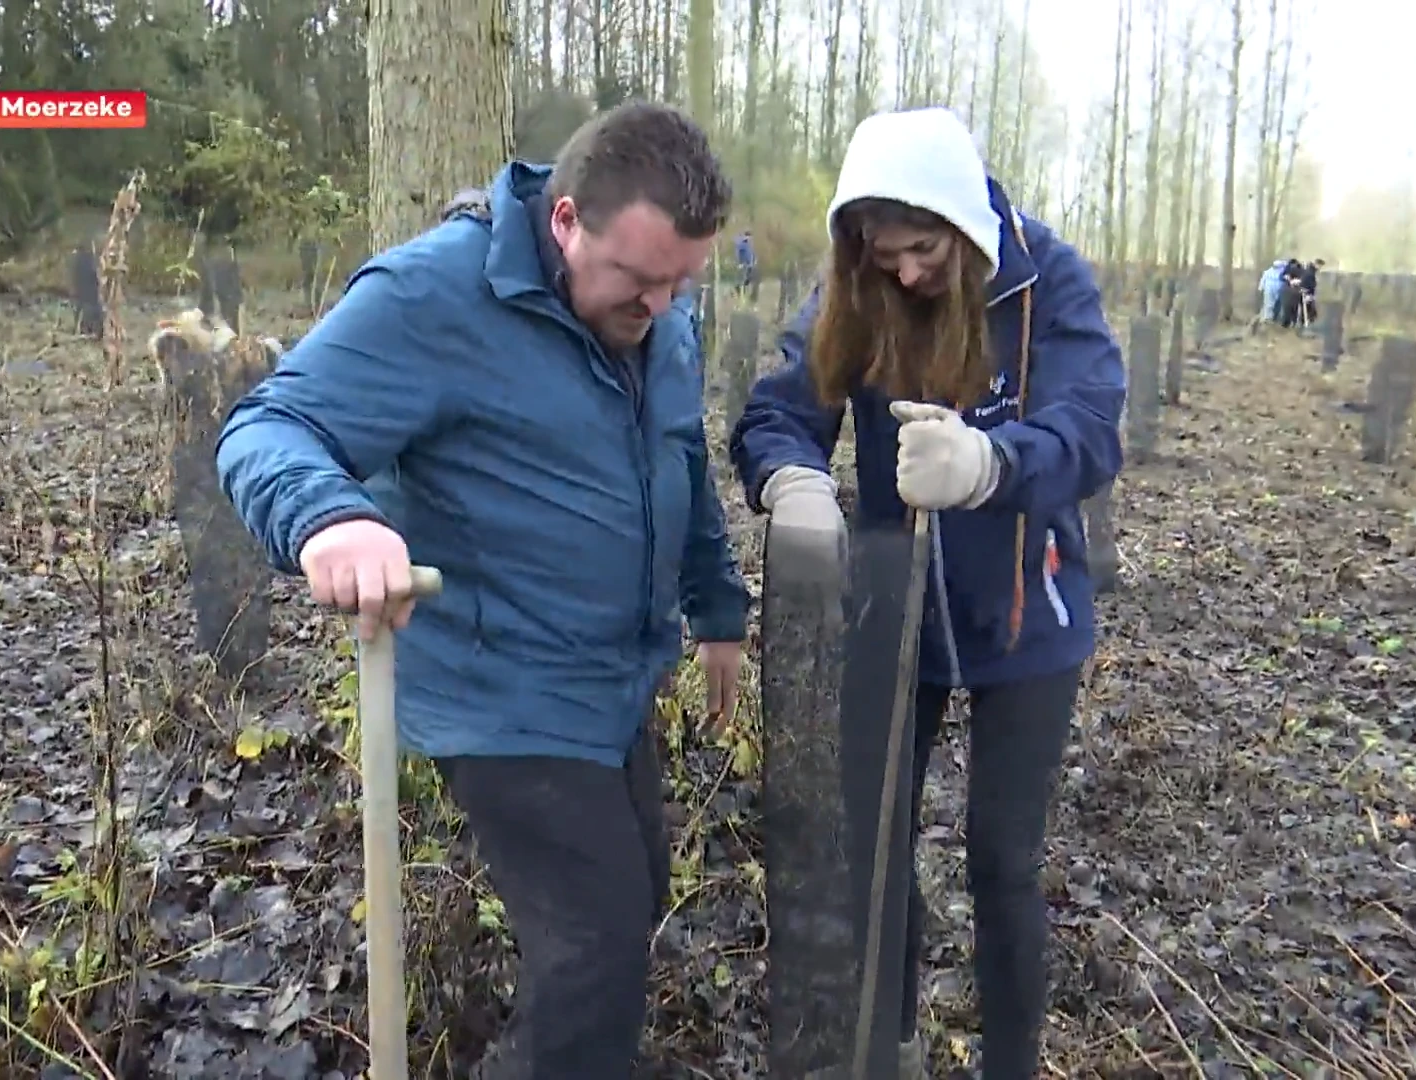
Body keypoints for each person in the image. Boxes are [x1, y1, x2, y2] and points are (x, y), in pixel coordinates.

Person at [216, 102, 750, 1079]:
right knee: (595, 949)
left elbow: (681, 462)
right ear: (565, 220)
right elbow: (269, 426)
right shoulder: (432, 299)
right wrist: (331, 517)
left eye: (684, 282)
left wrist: (716, 605)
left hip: (611, 681)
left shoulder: (658, 306)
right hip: (499, 687)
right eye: (640, 281)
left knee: (627, 904)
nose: (664, 309)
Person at [731, 106, 1126, 1080]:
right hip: (889, 609)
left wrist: (991, 464)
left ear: (964, 224)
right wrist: (794, 482)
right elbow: (780, 408)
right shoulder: (862, 293)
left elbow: (1091, 425)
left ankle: (1010, 1062)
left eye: (923, 249)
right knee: (873, 847)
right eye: (882, 251)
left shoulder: (1045, 281)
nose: (906, 273)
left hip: (1029, 621)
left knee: (1002, 861)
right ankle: (889, 1040)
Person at [1257, 259, 1287, 326]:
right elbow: (1263, 280)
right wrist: (1261, 288)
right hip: (1269, 289)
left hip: (1278, 290)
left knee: (1276, 304)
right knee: (1268, 303)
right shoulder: (1267, 272)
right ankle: (1267, 317)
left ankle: (1274, 317)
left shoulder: (1281, 272)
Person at [735, 228, 757, 294]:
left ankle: (743, 289)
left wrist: (754, 260)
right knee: (744, 277)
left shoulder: (750, 244)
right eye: (749, 237)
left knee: (749, 278)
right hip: (744, 264)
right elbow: (738, 252)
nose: (750, 239)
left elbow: (752, 253)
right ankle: (739, 289)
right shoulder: (742, 244)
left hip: (750, 264)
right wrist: (739, 263)